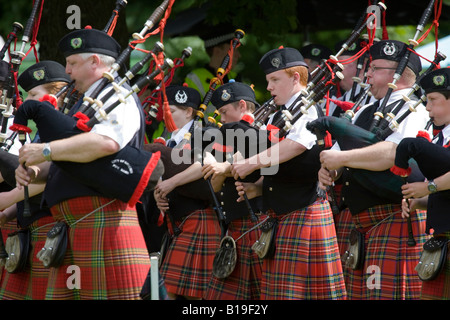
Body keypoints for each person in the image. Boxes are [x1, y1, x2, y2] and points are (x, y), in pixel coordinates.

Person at [14, 28, 153, 300]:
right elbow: (68, 160)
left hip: (105, 220)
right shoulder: (84, 102)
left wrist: (45, 149)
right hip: (71, 227)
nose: (67, 71)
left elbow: (105, 143)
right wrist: (35, 169)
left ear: (95, 62)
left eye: (72, 63)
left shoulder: (117, 95)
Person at [231, 47, 347, 300]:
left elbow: (296, 145)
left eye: (275, 80)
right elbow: (279, 164)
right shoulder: (277, 113)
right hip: (282, 215)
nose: (270, 87)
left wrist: (250, 163)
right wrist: (258, 185)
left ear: (296, 78)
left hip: (304, 213)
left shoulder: (307, 109)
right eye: (268, 81)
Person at [318, 39, 430, 299]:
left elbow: (393, 155)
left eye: (375, 68)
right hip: (361, 222)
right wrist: (330, 170)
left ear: (398, 75)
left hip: (394, 217)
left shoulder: (414, 112)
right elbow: (337, 153)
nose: (366, 73)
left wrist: (342, 160)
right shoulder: (366, 109)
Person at [0, 60, 71, 300]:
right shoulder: (44, 129)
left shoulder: (66, 129)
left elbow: (55, 173)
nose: (27, 100)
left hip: (53, 223)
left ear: (57, 94)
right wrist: (8, 212)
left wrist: (7, 198)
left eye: (33, 94)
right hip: (33, 223)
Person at [152, 84, 222, 300]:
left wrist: (171, 183)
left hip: (200, 218)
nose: (166, 116)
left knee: (191, 295)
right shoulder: (169, 140)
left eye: (171, 111)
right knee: (170, 291)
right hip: (177, 222)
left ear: (189, 111)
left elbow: (206, 162)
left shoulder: (206, 132)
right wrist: (159, 194)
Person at [201, 81, 265, 300]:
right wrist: (217, 165)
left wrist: (223, 166)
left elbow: (260, 163)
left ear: (241, 106)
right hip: (234, 224)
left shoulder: (267, 131)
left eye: (224, 112)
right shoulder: (226, 136)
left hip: (258, 222)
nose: (222, 119)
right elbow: (214, 185)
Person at [400, 67, 450, 300]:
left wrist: (428, 187)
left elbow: (437, 185)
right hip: (441, 240)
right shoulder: (440, 138)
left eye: (433, 100)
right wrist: (418, 201)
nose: (427, 107)